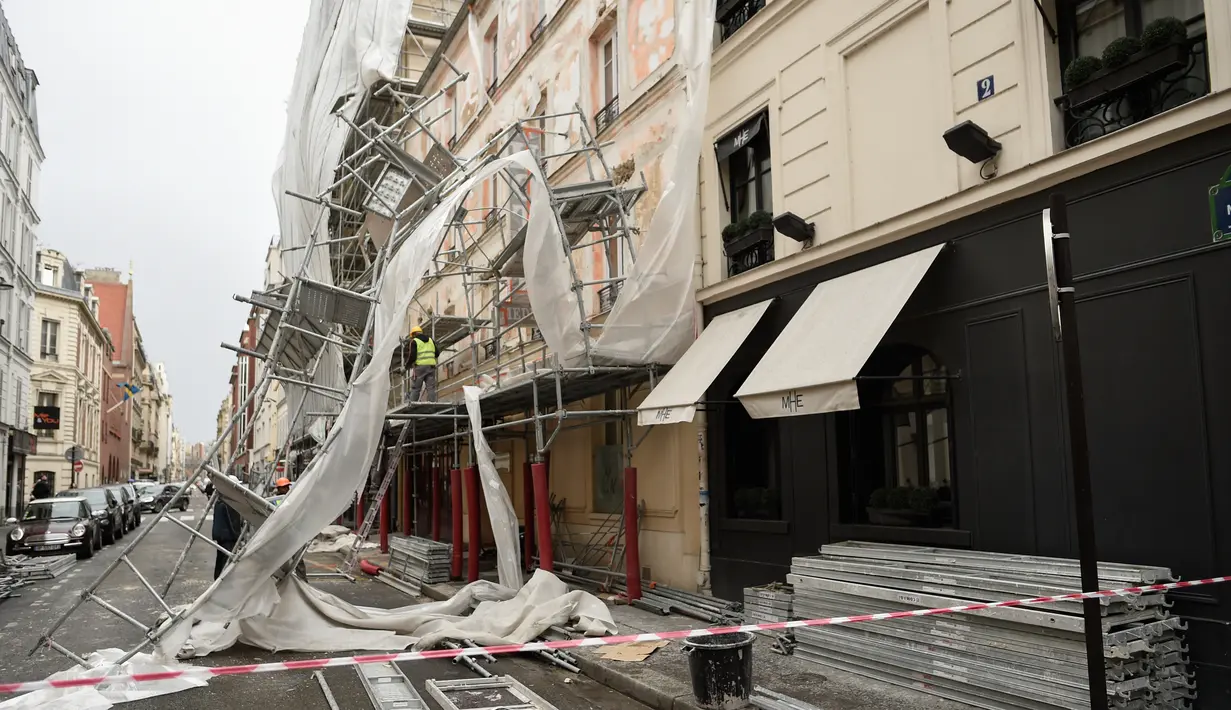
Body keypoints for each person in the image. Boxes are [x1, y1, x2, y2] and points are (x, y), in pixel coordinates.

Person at [207, 478, 244, 580]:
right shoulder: (228, 502)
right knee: (226, 561)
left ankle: (219, 580)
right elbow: (233, 522)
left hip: (222, 536)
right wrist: (239, 538)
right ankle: (222, 582)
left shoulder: (221, 500)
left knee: (221, 559)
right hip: (228, 536)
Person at [405, 325, 437, 403]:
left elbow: (412, 356)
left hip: (420, 368)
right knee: (431, 388)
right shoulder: (430, 340)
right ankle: (432, 404)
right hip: (431, 367)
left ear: (414, 334)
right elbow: (437, 353)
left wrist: (406, 367)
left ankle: (413, 405)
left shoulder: (414, 341)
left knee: (416, 388)